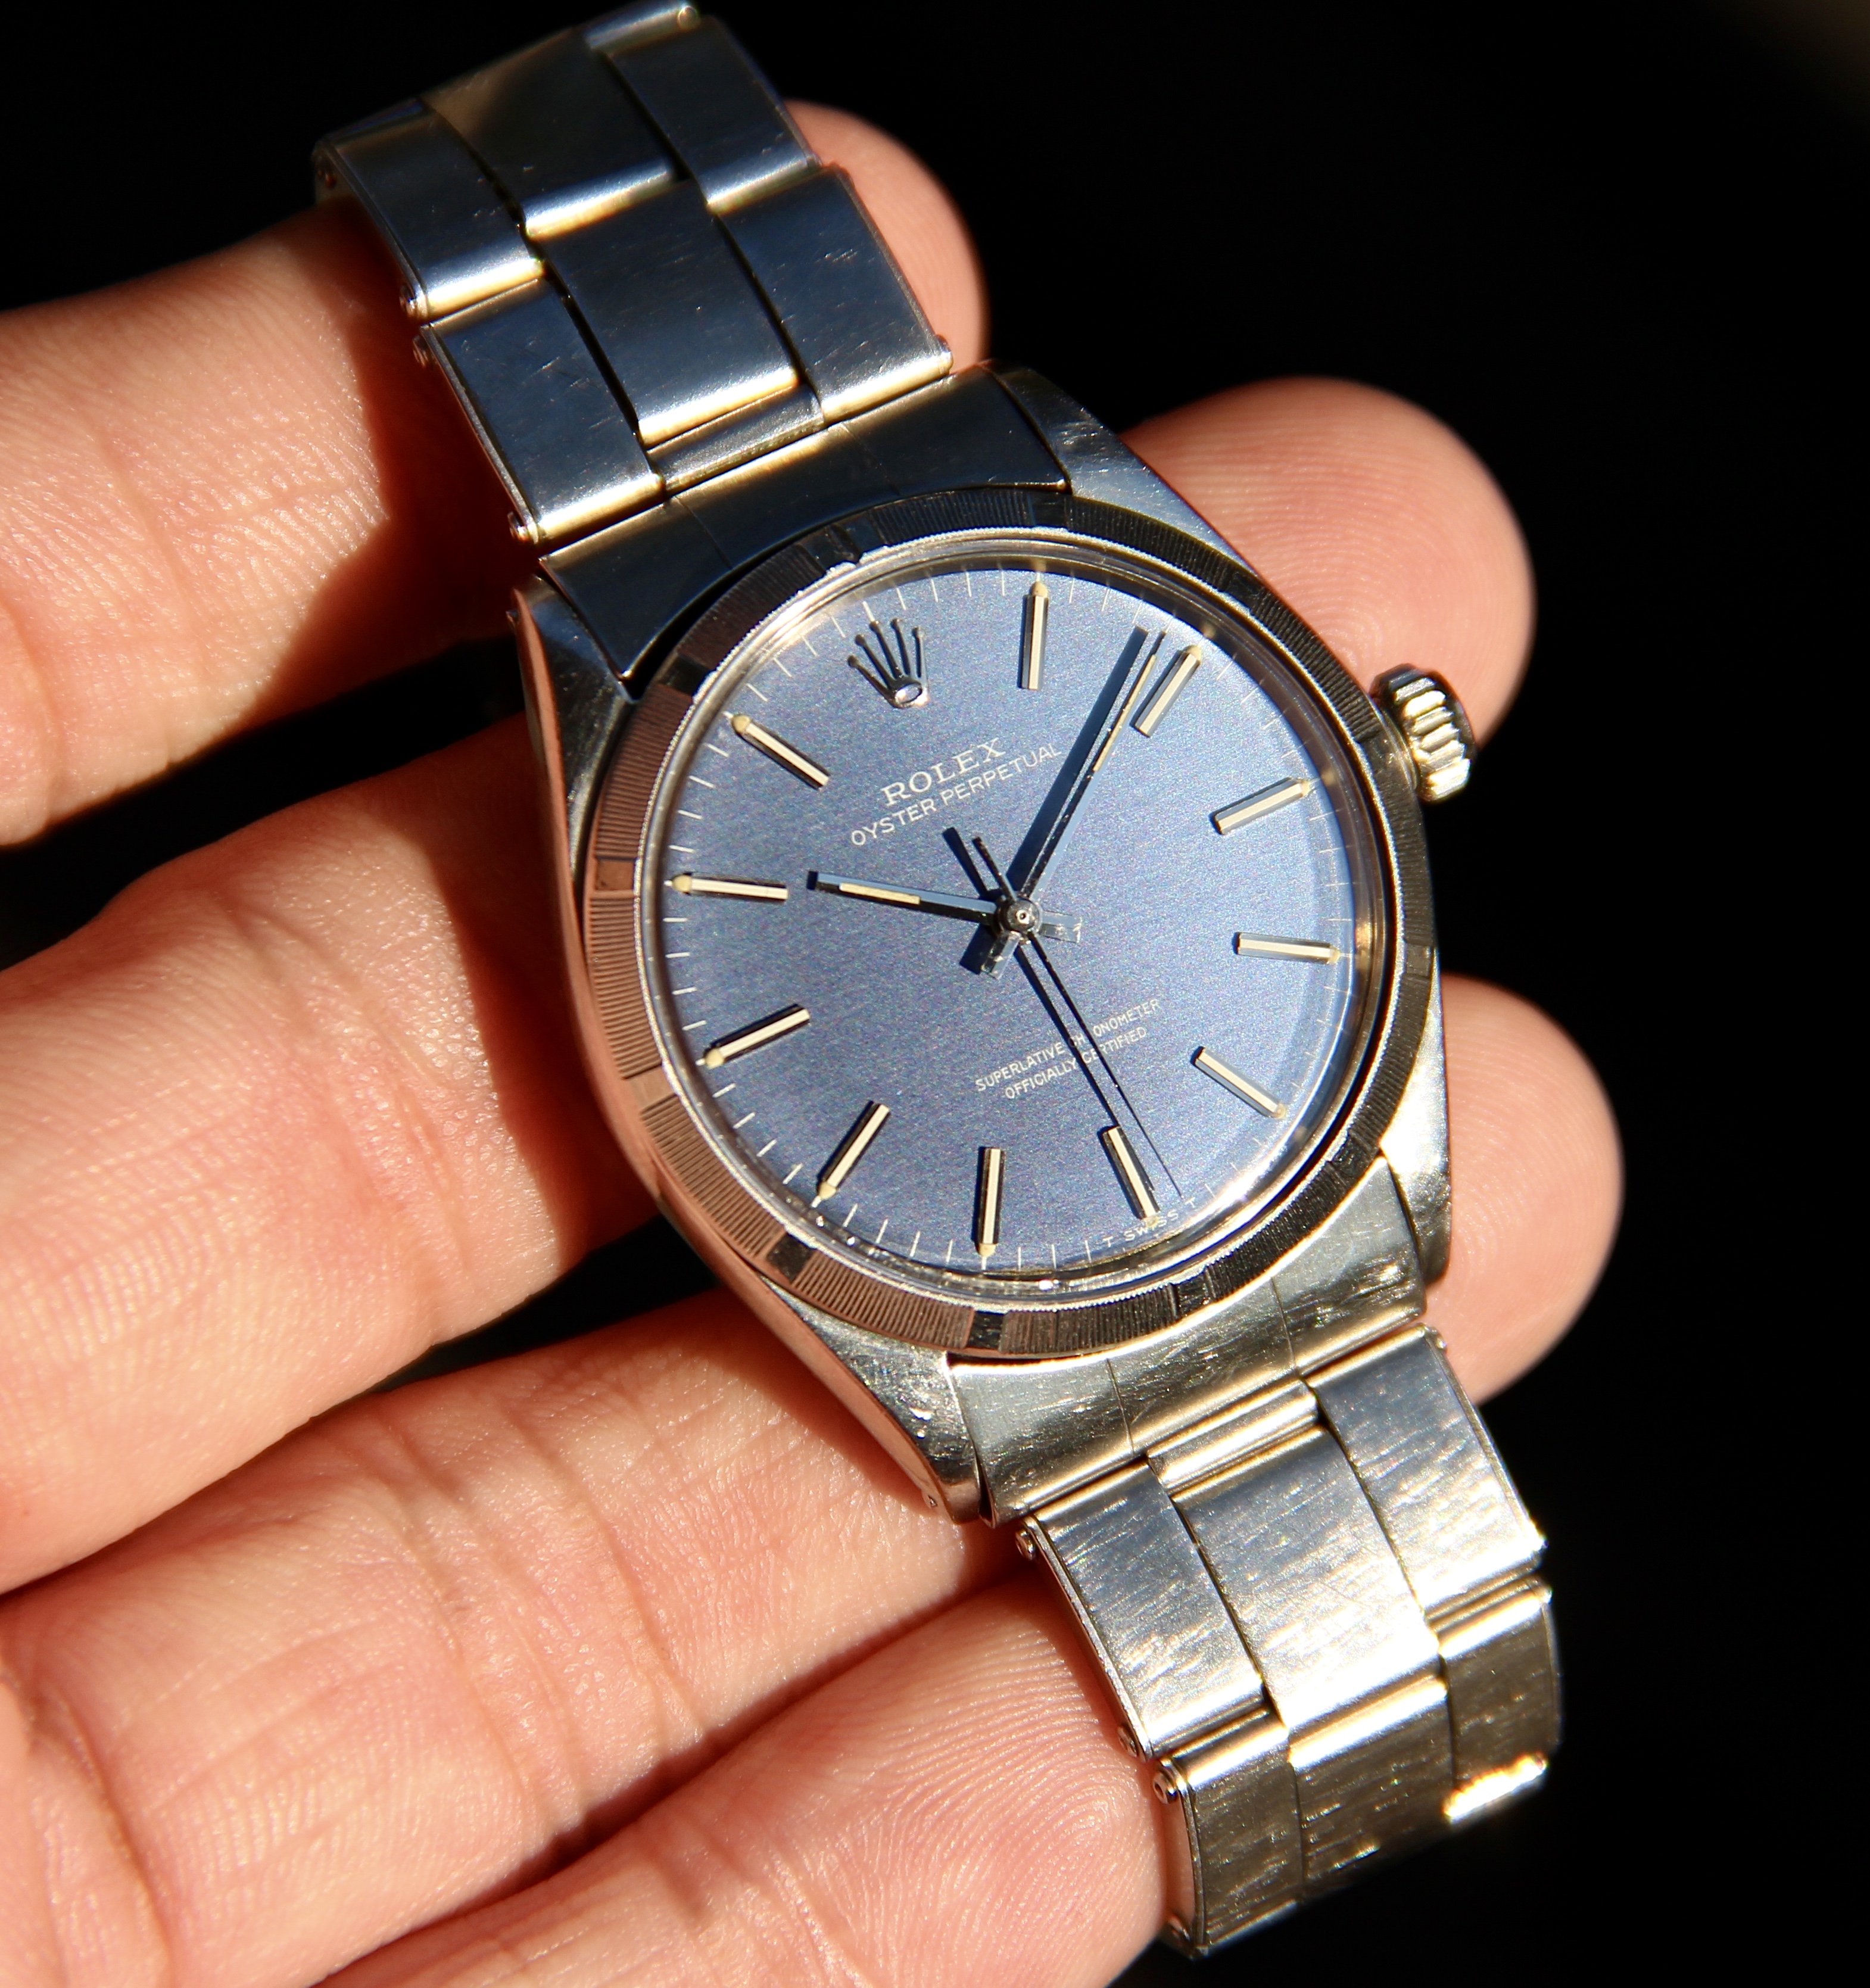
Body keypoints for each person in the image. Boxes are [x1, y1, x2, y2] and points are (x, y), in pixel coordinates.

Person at [0, 105, 1619, 1987]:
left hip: (1283, 1181)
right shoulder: (640, 681)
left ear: (1380, 749)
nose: (1009, 915)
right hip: (1016, 1283)